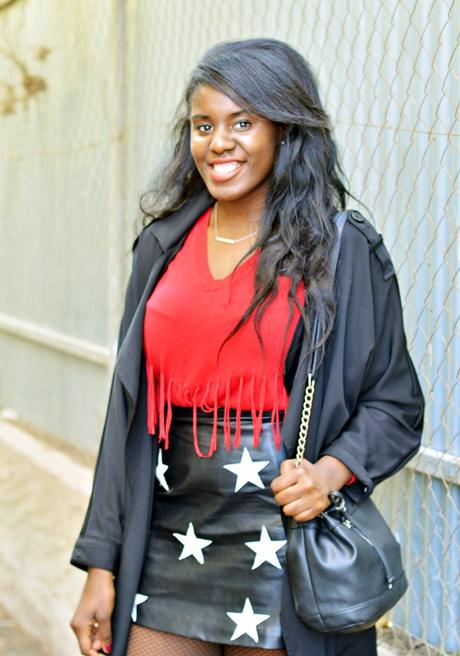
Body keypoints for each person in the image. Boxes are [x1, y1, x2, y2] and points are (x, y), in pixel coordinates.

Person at [70, 38, 424, 656]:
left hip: (283, 541)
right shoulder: (161, 248)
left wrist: (328, 474)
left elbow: (395, 404)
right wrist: (101, 564)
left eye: (243, 122)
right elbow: (123, 419)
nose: (219, 142)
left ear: (285, 130)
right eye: (204, 125)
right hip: (166, 538)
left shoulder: (341, 251)